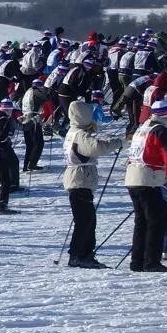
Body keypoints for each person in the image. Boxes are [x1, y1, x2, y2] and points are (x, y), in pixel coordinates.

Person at [124, 100, 167, 272]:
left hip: (133, 177)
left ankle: (137, 261)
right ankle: (151, 262)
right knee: (156, 221)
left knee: (141, 222)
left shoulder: (142, 127)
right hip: (149, 180)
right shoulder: (160, 131)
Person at [62, 101, 123, 268]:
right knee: (85, 220)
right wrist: (116, 143)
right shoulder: (80, 135)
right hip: (80, 179)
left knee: (87, 219)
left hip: (78, 178)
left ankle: (84, 254)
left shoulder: (74, 131)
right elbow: (95, 148)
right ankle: (79, 255)